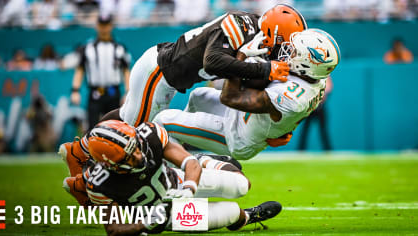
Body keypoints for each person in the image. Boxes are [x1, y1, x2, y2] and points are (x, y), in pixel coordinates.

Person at [60, 4, 306, 166]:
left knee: (128, 120)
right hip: (159, 72)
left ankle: (80, 151)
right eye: (284, 44)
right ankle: (82, 155)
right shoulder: (240, 25)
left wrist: (273, 130)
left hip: (169, 76)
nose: (283, 53)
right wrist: (264, 68)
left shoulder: (257, 37)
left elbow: (251, 85)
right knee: (131, 133)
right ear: (272, 31)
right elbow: (213, 62)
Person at [61, 120, 281, 234]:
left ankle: (207, 160)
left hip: (176, 181)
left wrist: (188, 189)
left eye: (136, 147)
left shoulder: (148, 136)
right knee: (233, 213)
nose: (139, 155)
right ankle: (247, 217)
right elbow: (114, 230)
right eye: (130, 156)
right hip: (167, 215)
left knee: (241, 184)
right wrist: (144, 225)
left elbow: (189, 164)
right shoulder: (100, 184)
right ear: (111, 166)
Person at [153, 29, 341, 160]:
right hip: (246, 116)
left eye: (294, 51)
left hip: (238, 136)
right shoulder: (316, 77)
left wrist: (241, 57)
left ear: (308, 63)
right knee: (198, 96)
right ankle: (184, 144)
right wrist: (286, 129)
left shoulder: (292, 97)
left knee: (163, 120)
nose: (288, 51)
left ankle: (173, 172)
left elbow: (230, 98)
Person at [70, 14, 131, 130]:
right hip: (95, 93)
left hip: (113, 92)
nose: (104, 29)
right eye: (101, 25)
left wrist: (128, 92)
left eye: (106, 25)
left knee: (115, 127)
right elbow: (80, 69)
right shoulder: (87, 48)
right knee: (92, 127)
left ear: (111, 26)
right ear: (97, 26)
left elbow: (126, 71)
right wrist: (75, 90)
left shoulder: (119, 48)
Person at [298, 76, 333, 151]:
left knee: (323, 130)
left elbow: (329, 87)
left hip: (320, 107)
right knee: (305, 130)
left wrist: (323, 93)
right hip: (310, 107)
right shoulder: (310, 73)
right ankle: (300, 151)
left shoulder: (325, 75)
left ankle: (328, 150)